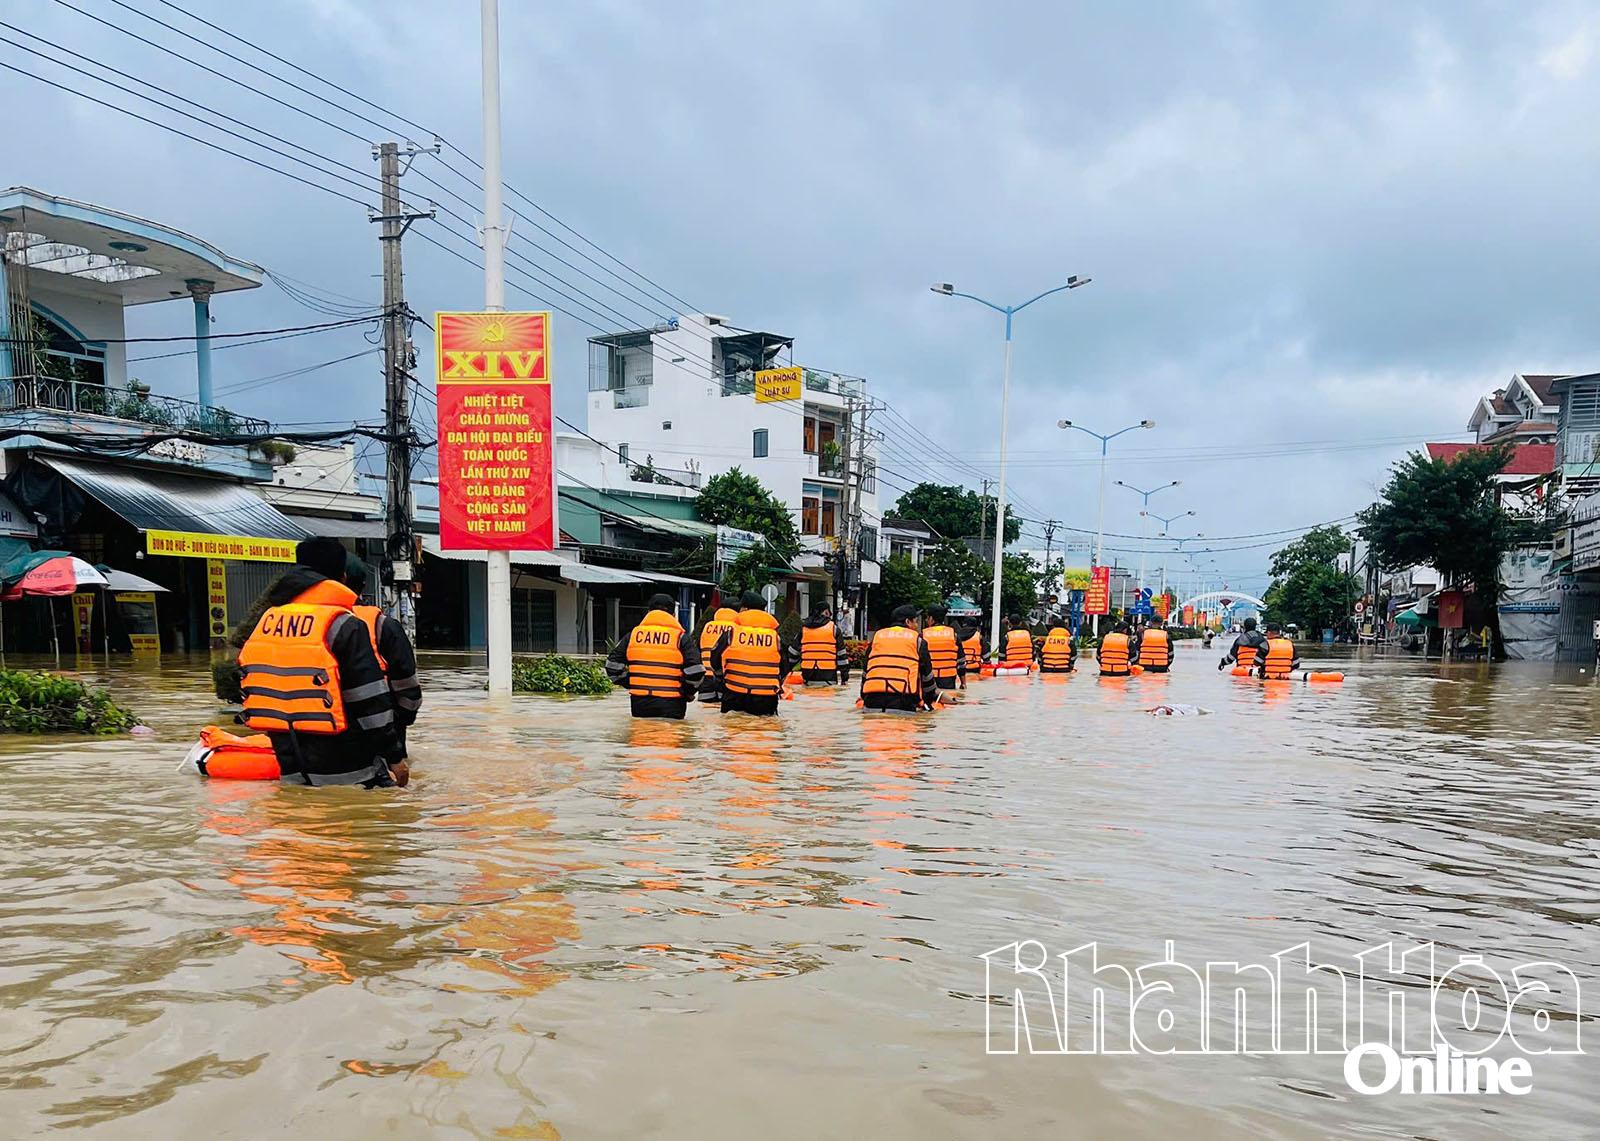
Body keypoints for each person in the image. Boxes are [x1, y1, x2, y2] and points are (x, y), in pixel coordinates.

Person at [236, 536, 404, 787]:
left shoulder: (267, 621)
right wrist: (395, 756)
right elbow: (369, 700)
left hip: (289, 760)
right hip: (348, 764)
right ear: (343, 577)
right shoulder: (345, 625)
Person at [346, 556, 422, 785]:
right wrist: (400, 725)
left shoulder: (285, 622)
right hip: (381, 743)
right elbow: (409, 689)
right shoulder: (382, 625)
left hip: (309, 746)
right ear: (362, 586)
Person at [606, 594, 704, 719]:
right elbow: (696, 671)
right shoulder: (681, 638)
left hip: (640, 704)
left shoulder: (632, 636)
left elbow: (612, 666)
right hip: (672, 704)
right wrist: (687, 692)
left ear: (648, 611)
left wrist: (632, 682)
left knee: (641, 736)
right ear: (673, 614)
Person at [712, 591, 798, 715]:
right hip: (765, 698)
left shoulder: (731, 634)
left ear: (745, 609)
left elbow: (714, 659)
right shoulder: (775, 637)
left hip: (734, 694)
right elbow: (785, 666)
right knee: (763, 731)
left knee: (733, 730)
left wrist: (722, 679)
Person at [861, 604, 938, 711]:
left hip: (872, 700)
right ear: (907, 622)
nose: (916, 625)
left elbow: (866, 671)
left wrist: (864, 696)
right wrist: (929, 701)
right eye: (915, 621)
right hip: (903, 702)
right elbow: (927, 676)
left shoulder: (877, 637)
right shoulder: (918, 641)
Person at [697, 600, 741, 703]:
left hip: (705, 676)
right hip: (724, 677)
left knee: (705, 711)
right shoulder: (736, 629)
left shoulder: (707, 626)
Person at [798, 604, 850, 685]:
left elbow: (792, 653)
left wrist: (786, 673)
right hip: (828, 676)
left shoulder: (803, 629)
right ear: (826, 612)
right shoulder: (834, 629)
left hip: (807, 676)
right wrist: (844, 678)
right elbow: (842, 655)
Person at [921, 603, 967, 691]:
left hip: (928, 680)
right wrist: (963, 683)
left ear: (931, 618)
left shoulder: (923, 635)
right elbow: (961, 661)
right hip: (948, 679)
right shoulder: (954, 635)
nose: (927, 620)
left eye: (927, 618)